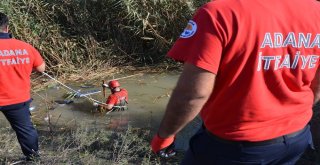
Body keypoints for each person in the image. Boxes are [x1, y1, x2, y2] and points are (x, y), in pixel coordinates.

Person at [151, 0, 320, 164]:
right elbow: (317, 83)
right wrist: (295, 113)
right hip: (296, 138)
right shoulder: (315, 10)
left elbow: (193, 95)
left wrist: (164, 136)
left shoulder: (220, 13)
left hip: (234, 147)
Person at [0, 12, 45, 161]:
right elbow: (41, 69)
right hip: (17, 99)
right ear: (7, 28)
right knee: (26, 130)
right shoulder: (24, 46)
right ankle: (33, 159)